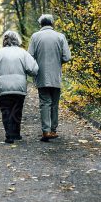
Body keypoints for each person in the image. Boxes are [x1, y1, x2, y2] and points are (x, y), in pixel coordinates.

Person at [0, 31, 39, 144]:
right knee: (17, 110)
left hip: (2, 87)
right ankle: (16, 133)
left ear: (5, 40)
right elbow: (34, 69)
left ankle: (9, 135)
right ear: (17, 40)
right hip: (19, 86)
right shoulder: (23, 53)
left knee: (6, 110)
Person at [28, 14, 71, 142]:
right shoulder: (60, 36)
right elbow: (67, 57)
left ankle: (46, 131)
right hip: (56, 76)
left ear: (40, 24)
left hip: (41, 76)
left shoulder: (35, 37)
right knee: (55, 104)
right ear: (52, 24)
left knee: (44, 103)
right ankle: (53, 130)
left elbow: (29, 56)